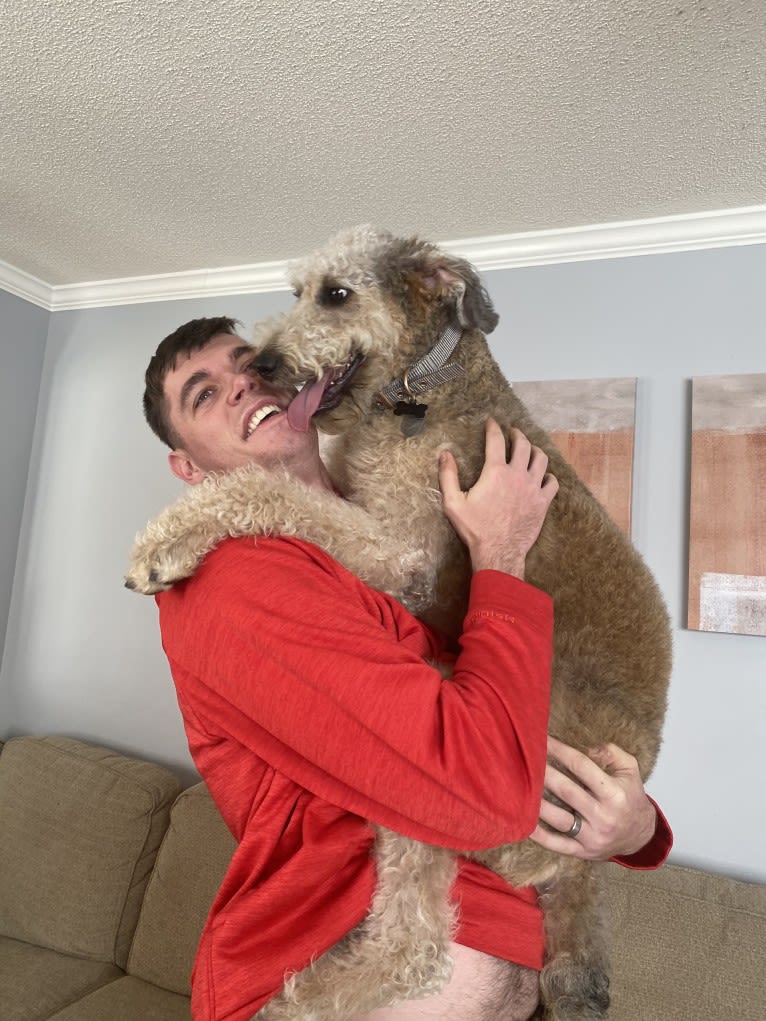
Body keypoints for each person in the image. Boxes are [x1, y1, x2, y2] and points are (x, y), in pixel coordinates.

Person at [141, 317, 672, 1021]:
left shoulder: (397, 532)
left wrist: (634, 828)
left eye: (248, 361)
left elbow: (513, 708)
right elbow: (473, 790)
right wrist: (503, 555)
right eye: (205, 394)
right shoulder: (234, 574)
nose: (242, 382)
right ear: (190, 467)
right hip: (336, 968)